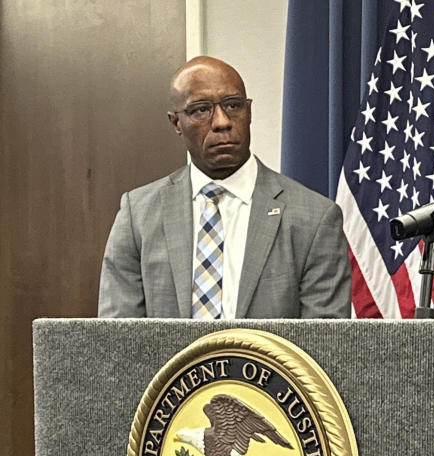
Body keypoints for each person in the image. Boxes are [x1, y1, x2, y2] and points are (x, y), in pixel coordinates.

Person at [98, 56, 351, 319]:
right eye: (200, 110)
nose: (221, 122)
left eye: (233, 105)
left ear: (249, 112)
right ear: (176, 123)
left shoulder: (315, 219)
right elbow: (117, 341)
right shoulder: (138, 215)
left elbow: (325, 346)